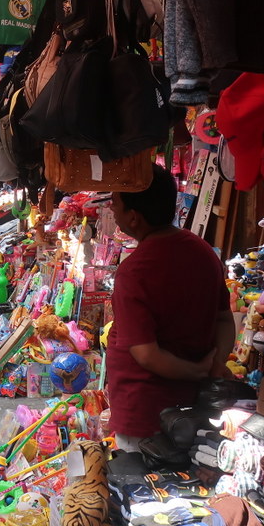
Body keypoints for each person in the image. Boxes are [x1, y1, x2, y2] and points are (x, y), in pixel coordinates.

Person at [105, 164, 234, 452]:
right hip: (194, 404)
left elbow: (147, 355)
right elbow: (225, 319)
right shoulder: (202, 250)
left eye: (116, 205)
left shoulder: (135, 271)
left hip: (146, 410)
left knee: (142, 486)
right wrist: (215, 365)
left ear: (134, 217)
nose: (112, 210)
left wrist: (199, 371)